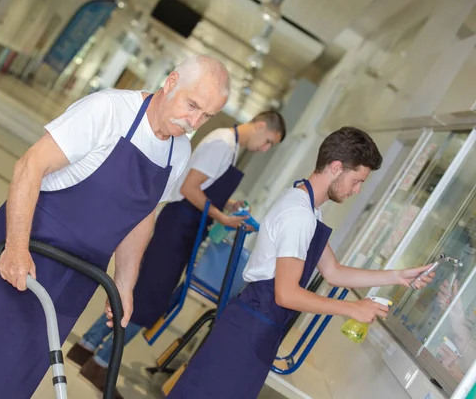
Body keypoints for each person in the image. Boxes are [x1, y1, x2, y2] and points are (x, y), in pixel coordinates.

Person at [0, 54, 231, 399]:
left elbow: (143, 217)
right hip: (24, 253)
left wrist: (125, 285)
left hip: (74, 282)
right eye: (192, 105)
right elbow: (30, 166)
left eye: (206, 116)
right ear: (170, 82)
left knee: (5, 377)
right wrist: (16, 248)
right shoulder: (109, 111)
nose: (194, 121)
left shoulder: (179, 153)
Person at [166, 126, 437, 399]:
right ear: (335, 167)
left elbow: (334, 272)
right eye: (357, 180)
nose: (357, 190)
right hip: (249, 331)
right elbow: (286, 293)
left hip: (259, 329)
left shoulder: (307, 207)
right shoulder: (299, 215)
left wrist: (399, 276)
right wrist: (351, 308)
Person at [65, 111, 287, 396]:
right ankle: (101, 361)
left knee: (145, 290)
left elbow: (203, 186)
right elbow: (189, 188)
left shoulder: (230, 148)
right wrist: (222, 217)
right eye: (268, 141)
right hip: (180, 223)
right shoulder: (222, 144)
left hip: (185, 223)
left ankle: (85, 348)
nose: (265, 149)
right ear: (259, 126)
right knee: (150, 298)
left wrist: (227, 204)